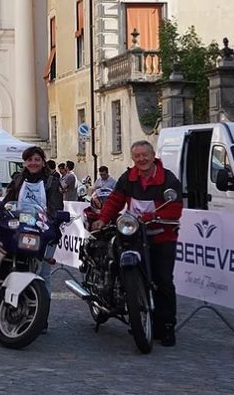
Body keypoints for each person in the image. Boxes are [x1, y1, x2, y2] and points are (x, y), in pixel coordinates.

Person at [92, 140, 183, 347]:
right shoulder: (128, 178)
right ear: (133, 158)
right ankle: (132, 308)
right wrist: (103, 219)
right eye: (137, 156)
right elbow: (115, 200)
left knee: (163, 281)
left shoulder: (167, 179)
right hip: (133, 235)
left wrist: (151, 217)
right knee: (123, 267)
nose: (141, 159)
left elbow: (174, 207)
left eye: (145, 155)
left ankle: (166, 327)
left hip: (161, 236)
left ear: (153, 156)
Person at [4, 145, 63, 294]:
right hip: (19, 228)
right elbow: (8, 201)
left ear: (43, 162)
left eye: (37, 159)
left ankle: (42, 311)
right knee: (11, 264)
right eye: (29, 160)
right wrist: (2, 208)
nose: (33, 163)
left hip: (45, 231)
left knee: (44, 274)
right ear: (25, 163)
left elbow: (56, 207)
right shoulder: (18, 179)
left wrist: (51, 217)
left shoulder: (52, 182)